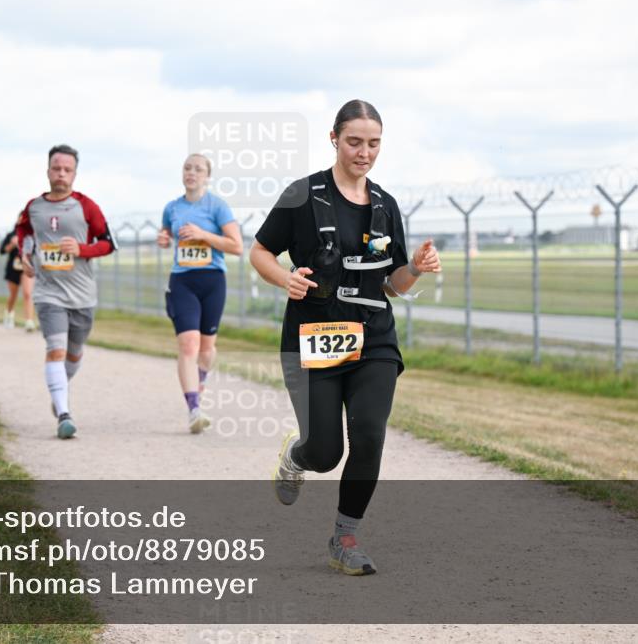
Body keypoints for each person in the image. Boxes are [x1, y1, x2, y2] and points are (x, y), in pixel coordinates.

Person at [249, 99, 442, 576]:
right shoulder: (302, 195)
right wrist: (284, 279)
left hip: (373, 338)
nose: (364, 152)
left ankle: (345, 536)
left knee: (370, 434)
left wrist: (414, 268)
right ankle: (298, 454)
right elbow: (260, 251)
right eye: (355, 141)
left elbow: (391, 285)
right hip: (312, 338)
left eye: (374, 143)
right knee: (325, 453)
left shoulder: (385, 205)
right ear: (334, 138)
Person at [16, 144, 116, 439]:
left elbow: (109, 243)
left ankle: (59, 390)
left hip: (82, 295)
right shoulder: (33, 207)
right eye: (56, 168)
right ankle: (63, 414)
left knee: (73, 355)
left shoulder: (86, 206)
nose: (61, 174)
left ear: (74, 173)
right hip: (49, 293)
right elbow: (24, 232)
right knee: (55, 350)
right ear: (48, 170)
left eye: (67, 170)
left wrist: (82, 248)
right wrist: (25, 253)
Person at [157, 153, 242, 433]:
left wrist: (203, 234)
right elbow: (166, 234)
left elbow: (236, 246)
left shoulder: (217, 207)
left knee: (206, 349)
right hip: (182, 281)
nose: (191, 173)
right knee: (189, 345)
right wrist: (164, 238)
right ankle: (194, 408)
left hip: (212, 281)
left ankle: (200, 378)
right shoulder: (172, 207)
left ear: (207, 176)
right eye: (187, 168)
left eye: (198, 169)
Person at [0, 212, 36, 330]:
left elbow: (37, 251)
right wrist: (12, 244)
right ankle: (9, 314)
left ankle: (29, 321)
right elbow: (2, 250)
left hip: (28, 267)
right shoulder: (11, 234)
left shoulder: (33, 235)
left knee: (27, 293)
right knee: (13, 295)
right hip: (13, 267)